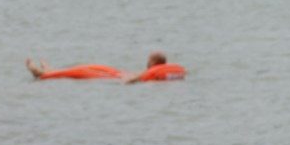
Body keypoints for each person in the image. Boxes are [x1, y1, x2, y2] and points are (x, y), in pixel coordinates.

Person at [25, 52, 186, 83]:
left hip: (116, 77)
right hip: (117, 74)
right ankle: (50, 70)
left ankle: (42, 73)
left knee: (80, 71)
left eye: (149, 60)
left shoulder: (152, 76)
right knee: (89, 67)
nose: (147, 62)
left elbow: (132, 81)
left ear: (153, 63)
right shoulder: (159, 75)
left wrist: (128, 80)